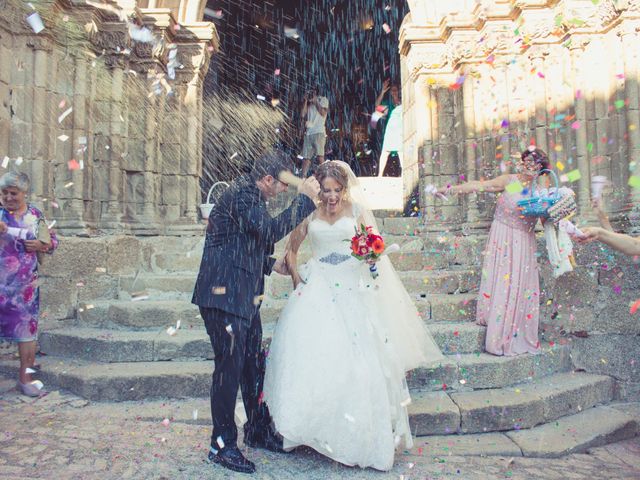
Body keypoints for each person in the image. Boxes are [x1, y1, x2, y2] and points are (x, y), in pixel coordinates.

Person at [263, 161, 443, 471]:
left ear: (344, 188)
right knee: (314, 356)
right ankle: (308, 428)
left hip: (352, 286)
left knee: (358, 362)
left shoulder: (357, 211)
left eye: (337, 191)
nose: (331, 197)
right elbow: (291, 251)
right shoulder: (309, 211)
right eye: (326, 191)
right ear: (318, 188)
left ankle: (357, 436)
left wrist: (370, 259)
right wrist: (297, 281)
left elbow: (373, 249)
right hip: (318, 286)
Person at [191, 150, 320, 475]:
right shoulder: (244, 193)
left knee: (252, 366)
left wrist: (269, 264)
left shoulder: (249, 195)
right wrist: (304, 201)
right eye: (280, 184)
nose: (281, 190)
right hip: (223, 298)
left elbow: (239, 242)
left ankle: (258, 431)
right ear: (266, 180)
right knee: (229, 371)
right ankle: (221, 445)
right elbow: (268, 231)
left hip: (242, 297)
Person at [437, 147, 551, 356]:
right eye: (526, 161)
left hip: (523, 242)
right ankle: (494, 318)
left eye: (534, 163)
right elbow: (481, 186)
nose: (528, 165)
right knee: (501, 280)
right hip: (501, 237)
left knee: (516, 283)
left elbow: (546, 221)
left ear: (541, 168)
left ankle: (509, 329)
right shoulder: (511, 181)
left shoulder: (540, 190)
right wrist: (452, 189)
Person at [0, 172, 57, 396]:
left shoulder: (35, 215)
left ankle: (26, 378)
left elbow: (52, 242)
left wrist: (40, 245)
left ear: (24, 193)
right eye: (4, 193)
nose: (8, 197)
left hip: (24, 286)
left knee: (26, 332)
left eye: (13, 193)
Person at [375, 79, 403, 176]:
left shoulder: (403, 102)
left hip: (400, 130)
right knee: (385, 152)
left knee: (401, 151)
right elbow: (377, 107)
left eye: (396, 90)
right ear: (390, 92)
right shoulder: (388, 104)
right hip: (391, 130)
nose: (394, 92)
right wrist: (383, 91)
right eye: (392, 90)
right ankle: (380, 174)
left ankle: (404, 173)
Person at [300, 87, 329, 177]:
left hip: (319, 132)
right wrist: (305, 101)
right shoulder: (309, 103)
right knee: (306, 158)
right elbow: (302, 114)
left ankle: (326, 176)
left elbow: (323, 113)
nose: (311, 94)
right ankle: (303, 178)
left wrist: (315, 100)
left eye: (312, 92)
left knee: (320, 156)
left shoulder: (323, 99)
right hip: (309, 133)